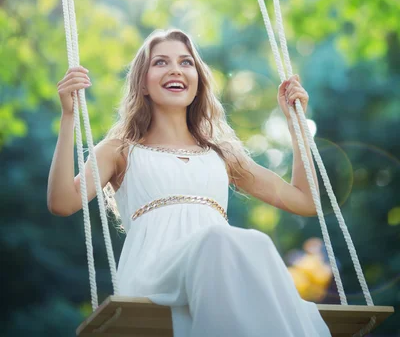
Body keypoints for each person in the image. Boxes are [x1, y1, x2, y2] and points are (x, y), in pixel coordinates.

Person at [48, 28, 332, 337]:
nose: (175, 69)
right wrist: (68, 116)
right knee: (219, 240)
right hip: (155, 276)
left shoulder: (221, 154)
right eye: (160, 62)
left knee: (256, 243)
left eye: (186, 62)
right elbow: (62, 202)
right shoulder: (120, 150)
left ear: (197, 80)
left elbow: (305, 201)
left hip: (218, 277)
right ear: (142, 82)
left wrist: (297, 127)